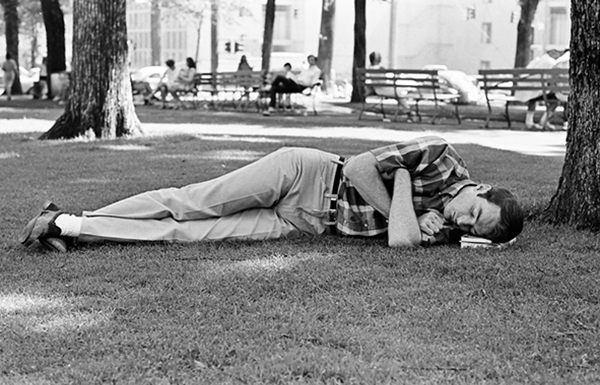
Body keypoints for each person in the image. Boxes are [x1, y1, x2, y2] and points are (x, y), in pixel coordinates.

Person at [19, 136, 524, 253]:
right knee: (187, 201)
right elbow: (366, 164)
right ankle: (74, 214)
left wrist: (414, 218)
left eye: (471, 227)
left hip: (304, 223)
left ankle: (69, 226)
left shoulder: (446, 229)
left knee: (186, 235)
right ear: (479, 188)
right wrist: (407, 196)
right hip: (307, 175)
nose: (461, 219)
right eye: (473, 210)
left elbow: (400, 244)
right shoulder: (438, 156)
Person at [517, 49, 562, 131]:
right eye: (557, 53)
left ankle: (529, 122)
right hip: (537, 90)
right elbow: (551, 79)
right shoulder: (551, 62)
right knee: (555, 101)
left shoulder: (536, 60)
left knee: (533, 99)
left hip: (525, 89)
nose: (558, 55)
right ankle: (544, 121)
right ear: (552, 53)